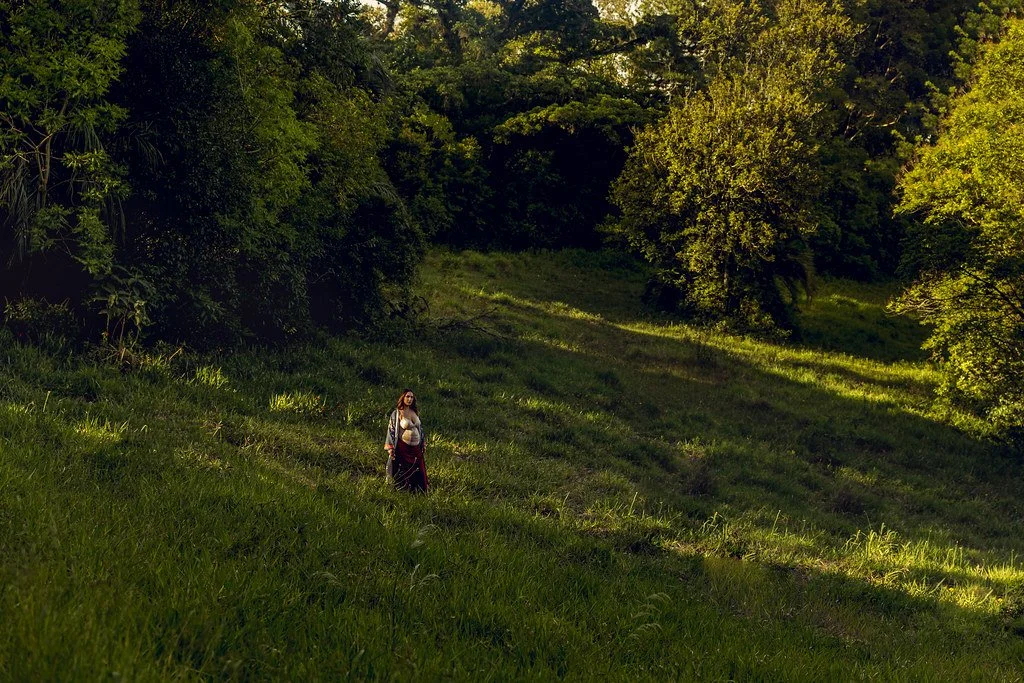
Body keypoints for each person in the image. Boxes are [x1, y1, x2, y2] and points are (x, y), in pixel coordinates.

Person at [384, 388, 429, 493]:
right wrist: (390, 447)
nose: (410, 399)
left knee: (418, 469)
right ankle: (401, 489)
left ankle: (418, 491)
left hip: (416, 448)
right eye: (407, 396)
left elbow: (420, 429)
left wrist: (423, 443)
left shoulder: (414, 412)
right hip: (403, 447)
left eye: (412, 397)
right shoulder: (397, 413)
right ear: (403, 398)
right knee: (402, 469)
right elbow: (391, 429)